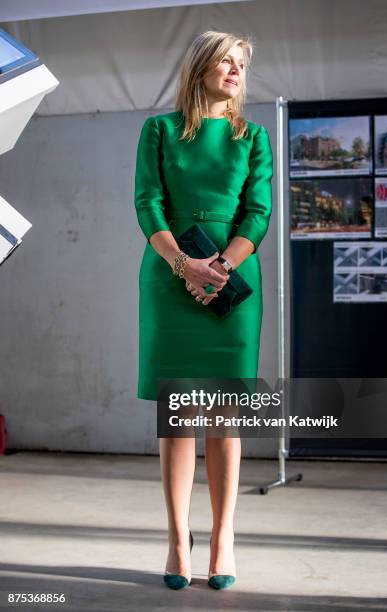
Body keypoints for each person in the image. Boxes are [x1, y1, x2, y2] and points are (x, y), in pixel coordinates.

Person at [134, 30, 273, 590]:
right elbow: (148, 202)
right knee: (178, 421)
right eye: (224, 61)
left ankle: (223, 539)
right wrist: (184, 265)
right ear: (199, 69)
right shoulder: (159, 130)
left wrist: (221, 267)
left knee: (223, 420)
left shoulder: (254, 135)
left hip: (233, 281)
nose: (235, 71)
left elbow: (258, 212)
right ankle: (175, 540)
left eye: (241, 63)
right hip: (171, 278)